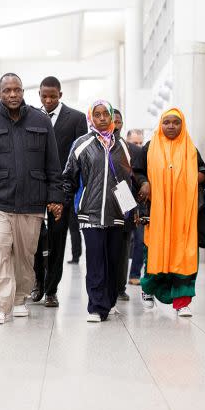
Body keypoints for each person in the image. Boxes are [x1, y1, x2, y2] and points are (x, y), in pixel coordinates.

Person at [0, 73, 63, 325]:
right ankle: (1, 304)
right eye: (7, 90)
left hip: (32, 201)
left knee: (25, 255)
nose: (13, 94)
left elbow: (53, 164)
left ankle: (20, 298)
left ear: (23, 92)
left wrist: (55, 197)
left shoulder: (41, 121)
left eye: (17, 90)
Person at [62, 100, 135, 322]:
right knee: (95, 261)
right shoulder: (81, 144)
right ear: (90, 118)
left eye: (106, 114)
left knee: (114, 261)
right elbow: (68, 177)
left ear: (112, 117)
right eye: (97, 114)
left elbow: (128, 180)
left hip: (117, 214)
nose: (102, 118)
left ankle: (110, 301)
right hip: (90, 213)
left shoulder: (122, 146)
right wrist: (63, 203)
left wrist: (132, 209)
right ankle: (96, 306)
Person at [132, 108, 205, 316]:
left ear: (182, 124)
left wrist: (198, 177)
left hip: (184, 215)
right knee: (156, 251)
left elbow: (203, 171)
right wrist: (145, 182)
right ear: (160, 124)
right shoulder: (149, 147)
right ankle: (148, 290)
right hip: (157, 212)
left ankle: (182, 301)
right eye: (167, 122)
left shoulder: (190, 148)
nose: (171, 126)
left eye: (176, 122)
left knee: (183, 254)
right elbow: (137, 171)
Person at [31, 76, 88, 308]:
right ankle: (38, 284)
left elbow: (81, 157)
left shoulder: (75, 118)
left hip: (62, 191)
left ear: (60, 95)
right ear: (39, 95)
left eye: (53, 96)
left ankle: (52, 290)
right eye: (44, 96)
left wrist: (70, 192)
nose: (48, 100)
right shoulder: (32, 116)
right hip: (35, 190)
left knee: (56, 241)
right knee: (34, 240)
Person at [111, 109, 137, 302]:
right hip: (101, 204)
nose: (115, 124)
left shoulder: (132, 149)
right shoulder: (93, 146)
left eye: (118, 121)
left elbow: (137, 179)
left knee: (123, 247)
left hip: (126, 203)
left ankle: (120, 287)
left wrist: (136, 209)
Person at [126, 128, 147, 285]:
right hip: (124, 202)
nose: (138, 146)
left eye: (141, 142)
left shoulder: (145, 158)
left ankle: (134, 274)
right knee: (123, 241)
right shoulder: (120, 156)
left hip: (141, 203)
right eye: (135, 143)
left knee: (141, 239)